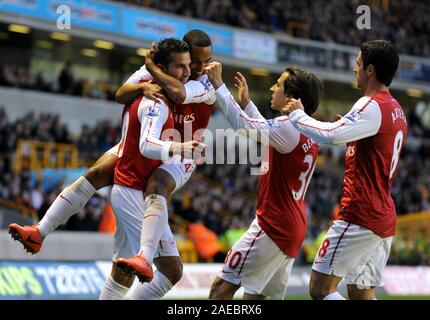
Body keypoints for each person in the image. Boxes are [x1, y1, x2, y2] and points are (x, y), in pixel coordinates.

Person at [8, 30, 216, 300]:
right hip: (148, 161)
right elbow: (121, 94)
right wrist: (144, 83)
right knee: (99, 172)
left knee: (154, 191)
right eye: (190, 62)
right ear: (179, 56)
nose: (198, 68)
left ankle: (45, 232)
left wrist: (152, 67)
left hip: (182, 155)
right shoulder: (154, 93)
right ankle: (40, 230)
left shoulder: (208, 81)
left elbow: (177, 92)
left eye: (201, 62)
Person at [281, 40, 407, 300]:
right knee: (361, 293)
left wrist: (297, 114)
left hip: (360, 214)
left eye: (358, 63)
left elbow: (331, 136)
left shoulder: (370, 105)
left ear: (370, 70)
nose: (354, 68)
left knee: (320, 288)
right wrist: (351, 131)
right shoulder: (397, 110)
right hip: (383, 215)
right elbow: (371, 144)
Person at [205, 61, 322, 299]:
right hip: (293, 226)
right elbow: (265, 130)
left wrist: (218, 85)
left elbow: (246, 127)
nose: (271, 88)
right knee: (255, 298)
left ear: (291, 96)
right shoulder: (307, 128)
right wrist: (247, 104)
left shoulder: (287, 127)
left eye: (277, 85)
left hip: (273, 225)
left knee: (220, 289)